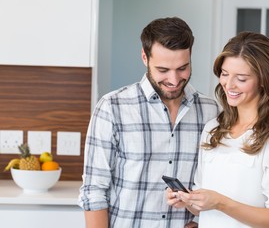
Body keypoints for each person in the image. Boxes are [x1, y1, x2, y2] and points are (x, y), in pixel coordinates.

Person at [78, 17, 219, 228]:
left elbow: (215, 185)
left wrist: (202, 221)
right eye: (163, 70)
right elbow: (94, 190)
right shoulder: (112, 107)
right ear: (145, 57)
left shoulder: (211, 111)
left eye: (182, 68)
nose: (173, 80)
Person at [167, 31, 269, 228]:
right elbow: (202, 207)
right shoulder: (213, 129)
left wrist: (221, 203)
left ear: (264, 79)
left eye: (241, 78)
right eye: (224, 74)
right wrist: (187, 201)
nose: (228, 85)